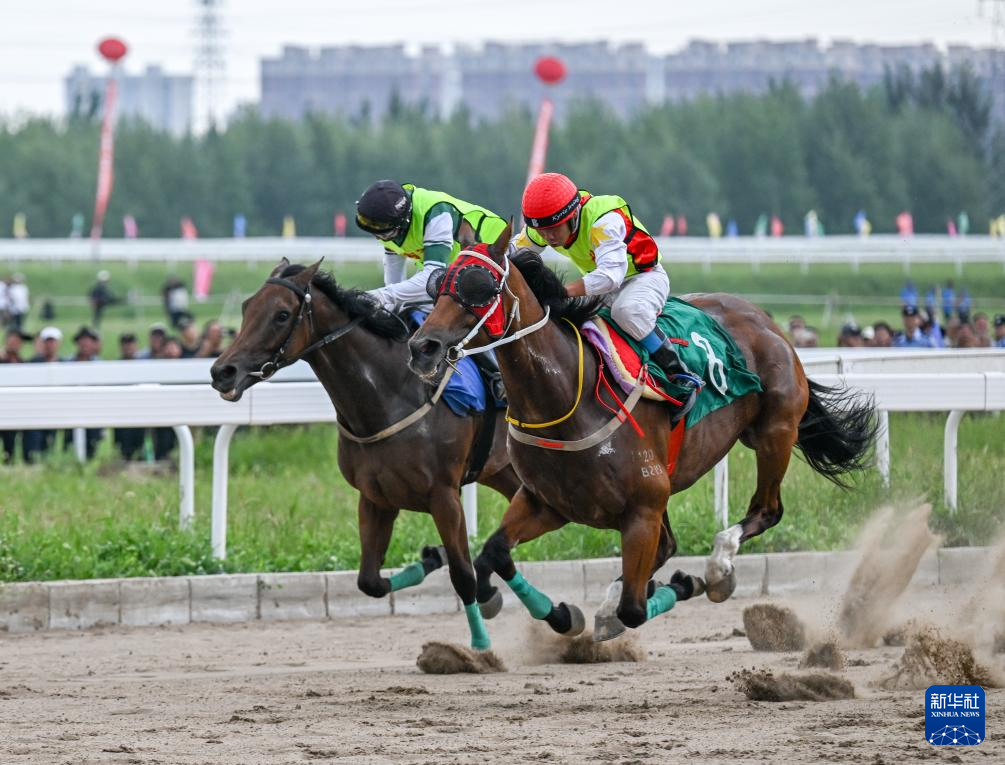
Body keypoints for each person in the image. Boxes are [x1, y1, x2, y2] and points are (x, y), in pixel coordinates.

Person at [513, 172, 700, 402]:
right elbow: (512, 253)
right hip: (604, 286)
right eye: (541, 231)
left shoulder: (603, 221)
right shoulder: (544, 224)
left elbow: (612, 276)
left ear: (573, 215)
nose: (547, 236)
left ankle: (678, 372)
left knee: (626, 311)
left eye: (553, 228)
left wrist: (564, 292)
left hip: (643, 277)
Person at [355, 179, 509, 397]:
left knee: (462, 315)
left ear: (403, 220)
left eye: (381, 231)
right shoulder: (388, 224)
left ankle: (498, 374)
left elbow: (432, 279)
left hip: (491, 251)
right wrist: (385, 304)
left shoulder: (437, 214)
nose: (377, 236)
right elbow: (394, 287)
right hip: (454, 269)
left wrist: (379, 296)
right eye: (371, 229)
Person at [1, 328, 32, 463]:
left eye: (19, 341)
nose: (16, 343)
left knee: (10, 442)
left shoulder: (22, 363)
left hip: (12, 408)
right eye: (14, 340)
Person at [113, 332, 145, 461]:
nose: (128, 348)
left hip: (140, 409)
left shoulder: (144, 365)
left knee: (140, 441)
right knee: (122, 443)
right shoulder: (115, 366)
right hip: (121, 410)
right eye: (125, 345)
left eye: (131, 345)